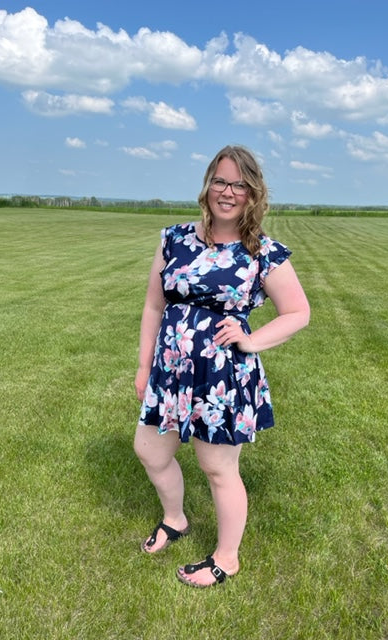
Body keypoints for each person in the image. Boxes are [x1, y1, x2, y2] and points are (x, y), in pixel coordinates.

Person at [134, 145, 310, 588]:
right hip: (170, 372)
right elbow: (155, 306)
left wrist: (251, 340)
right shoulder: (175, 239)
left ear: (253, 194)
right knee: (150, 451)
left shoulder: (261, 252)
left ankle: (226, 558)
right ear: (207, 184)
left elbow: (297, 312)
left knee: (217, 468)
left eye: (238, 185)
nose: (227, 192)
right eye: (220, 181)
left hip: (222, 379)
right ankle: (175, 519)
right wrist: (143, 367)